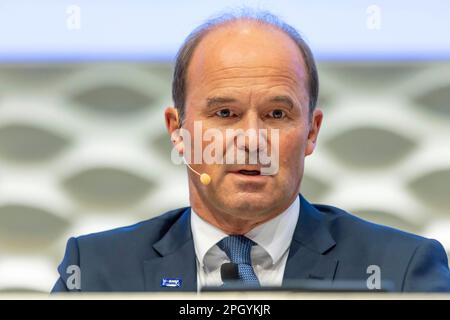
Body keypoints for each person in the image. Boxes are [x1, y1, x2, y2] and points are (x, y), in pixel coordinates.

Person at [52, 9, 450, 293]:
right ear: (178, 132)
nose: (253, 139)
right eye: (225, 113)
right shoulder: (96, 270)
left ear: (311, 133)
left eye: (277, 114)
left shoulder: (401, 271)